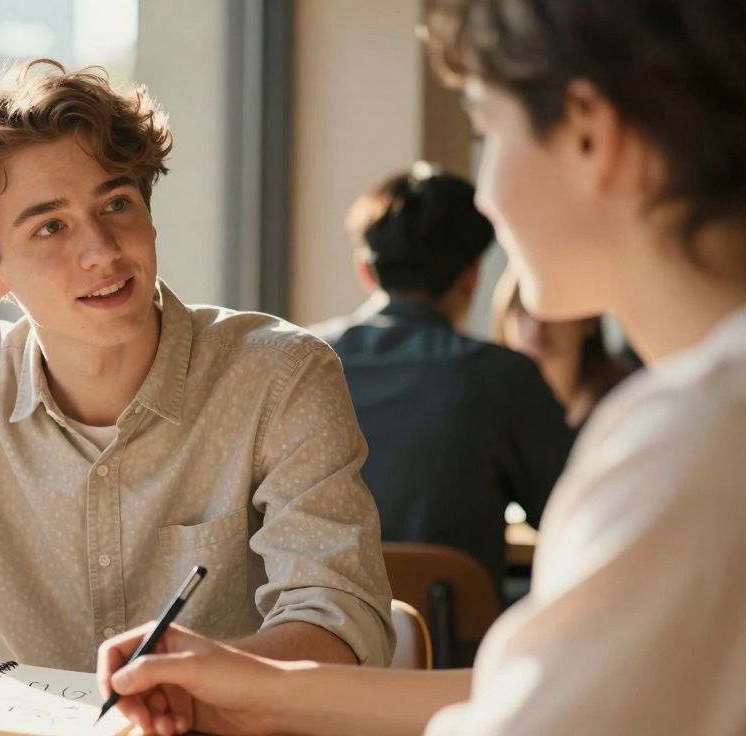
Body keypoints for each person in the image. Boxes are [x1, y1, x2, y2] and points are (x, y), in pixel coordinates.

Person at [97, 0, 746, 733]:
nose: (490, 198)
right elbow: (521, 694)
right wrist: (263, 686)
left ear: (590, 135)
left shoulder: (690, 444)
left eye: (485, 132)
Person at [0, 59, 395, 696]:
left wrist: (209, 681)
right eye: (51, 226)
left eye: (116, 204)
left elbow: (341, 620)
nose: (103, 251)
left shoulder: (279, 373)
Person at [311, 166, 573, 587]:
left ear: (367, 271)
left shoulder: (301, 360)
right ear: (471, 276)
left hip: (312, 632)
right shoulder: (501, 377)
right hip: (452, 645)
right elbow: (574, 519)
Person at [492, 267, 634, 427]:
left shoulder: (627, 404)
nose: (535, 324)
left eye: (552, 306)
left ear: (588, 320)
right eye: (521, 308)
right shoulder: (494, 415)